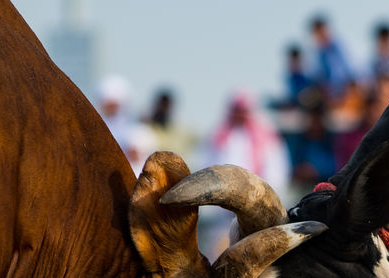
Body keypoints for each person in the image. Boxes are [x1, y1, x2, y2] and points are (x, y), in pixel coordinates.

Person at [197, 90, 291, 257]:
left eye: (243, 110)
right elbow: (206, 166)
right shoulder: (219, 135)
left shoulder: (266, 136)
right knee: (221, 253)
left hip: (256, 206)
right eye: (237, 110)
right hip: (223, 210)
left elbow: (276, 170)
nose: (240, 114)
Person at [97, 75, 154, 172]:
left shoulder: (138, 131)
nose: (110, 108)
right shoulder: (95, 130)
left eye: (114, 104)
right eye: (107, 104)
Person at [308, 15, 355, 104]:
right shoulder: (318, 54)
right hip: (328, 95)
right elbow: (316, 75)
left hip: (346, 91)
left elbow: (348, 71)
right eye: (317, 33)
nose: (320, 35)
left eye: (321, 31)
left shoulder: (340, 47)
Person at [143, 88, 196, 159]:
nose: (163, 109)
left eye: (166, 105)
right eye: (161, 105)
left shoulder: (182, 132)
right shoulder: (145, 130)